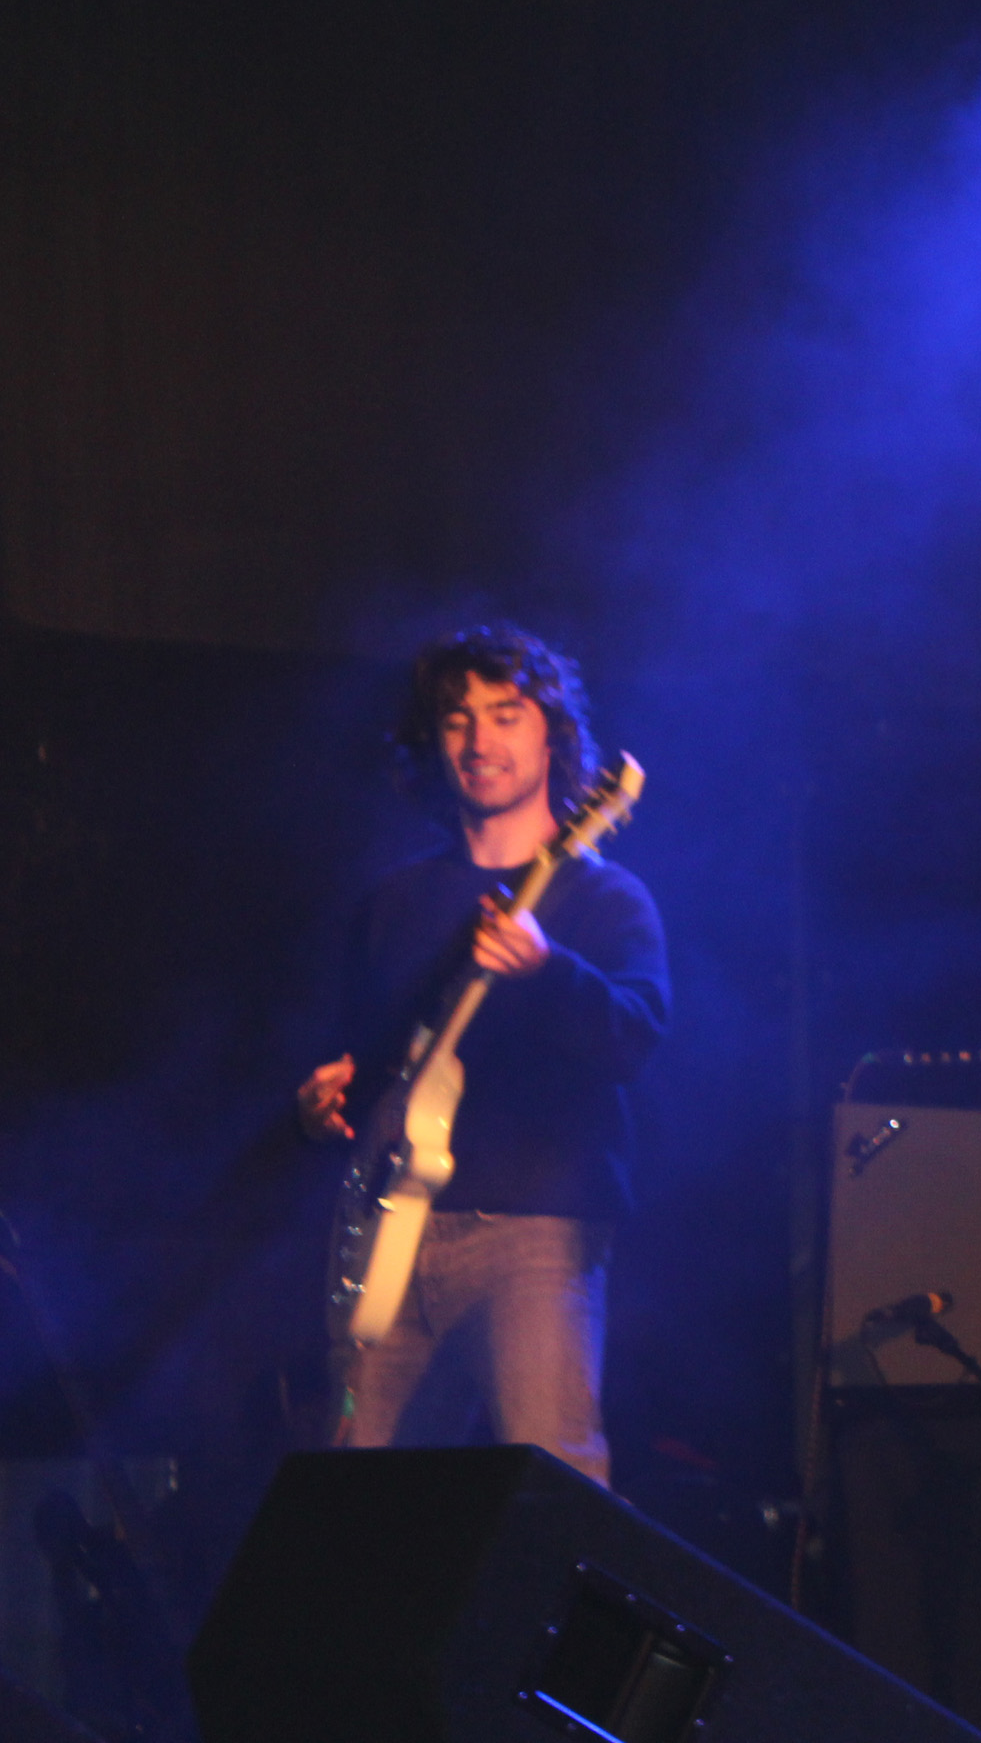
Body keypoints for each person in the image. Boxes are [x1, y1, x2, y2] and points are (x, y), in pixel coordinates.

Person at [296, 625, 668, 1487]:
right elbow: (369, 1063)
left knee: (554, 1483)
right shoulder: (393, 900)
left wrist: (548, 969)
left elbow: (634, 1037)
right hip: (387, 1234)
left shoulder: (604, 896)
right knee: (355, 1495)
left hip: (535, 1234)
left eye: (505, 715)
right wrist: (321, 1107)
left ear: (551, 736)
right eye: (457, 719)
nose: (478, 740)